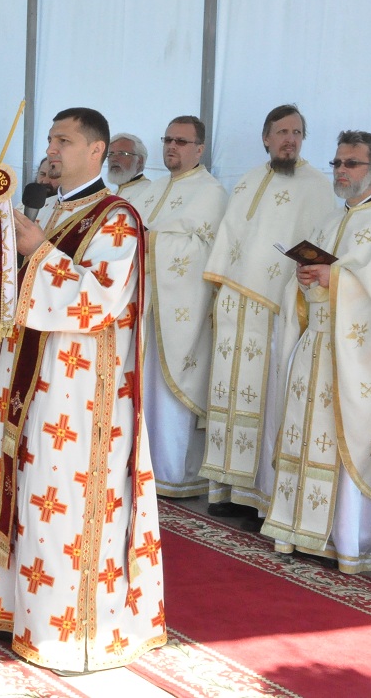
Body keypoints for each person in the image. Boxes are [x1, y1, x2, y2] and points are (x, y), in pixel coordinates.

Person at [0, 107, 165, 673]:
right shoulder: (57, 210)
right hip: (38, 380)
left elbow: (97, 300)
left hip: (83, 393)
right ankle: (24, 612)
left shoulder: (118, 219)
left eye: (65, 140)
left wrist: (36, 251)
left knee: (68, 505)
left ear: (96, 150)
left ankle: (72, 631)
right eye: (51, 139)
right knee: (31, 494)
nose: (52, 149)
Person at [261, 131, 371, 573]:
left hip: (358, 356)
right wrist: (305, 282)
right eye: (337, 163)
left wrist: (336, 279)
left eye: (352, 164)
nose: (342, 171)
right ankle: (299, 530)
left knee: (346, 441)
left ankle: (347, 538)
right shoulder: (329, 219)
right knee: (304, 435)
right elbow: (307, 284)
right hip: (317, 348)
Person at [200, 104, 334, 518]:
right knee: (227, 391)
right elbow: (230, 236)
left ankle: (258, 497)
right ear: (266, 138)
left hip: (277, 306)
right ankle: (225, 487)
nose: (289, 140)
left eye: (296, 132)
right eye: (281, 132)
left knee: (265, 396)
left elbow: (322, 246)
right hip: (235, 305)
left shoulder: (316, 186)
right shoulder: (247, 180)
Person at [142, 116, 227, 496]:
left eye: (181, 141)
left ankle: (173, 471)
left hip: (180, 310)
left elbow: (207, 252)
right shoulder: (151, 188)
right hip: (142, 308)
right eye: (167, 139)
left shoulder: (211, 192)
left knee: (167, 391)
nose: (171, 147)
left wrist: (152, 243)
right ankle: (140, 467)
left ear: (199, 148)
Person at [107, 132, 151, 204]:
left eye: (122, 153)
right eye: (111, 154)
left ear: (140, 160)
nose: (113, 159)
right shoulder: (112, 195)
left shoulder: (148, 191)